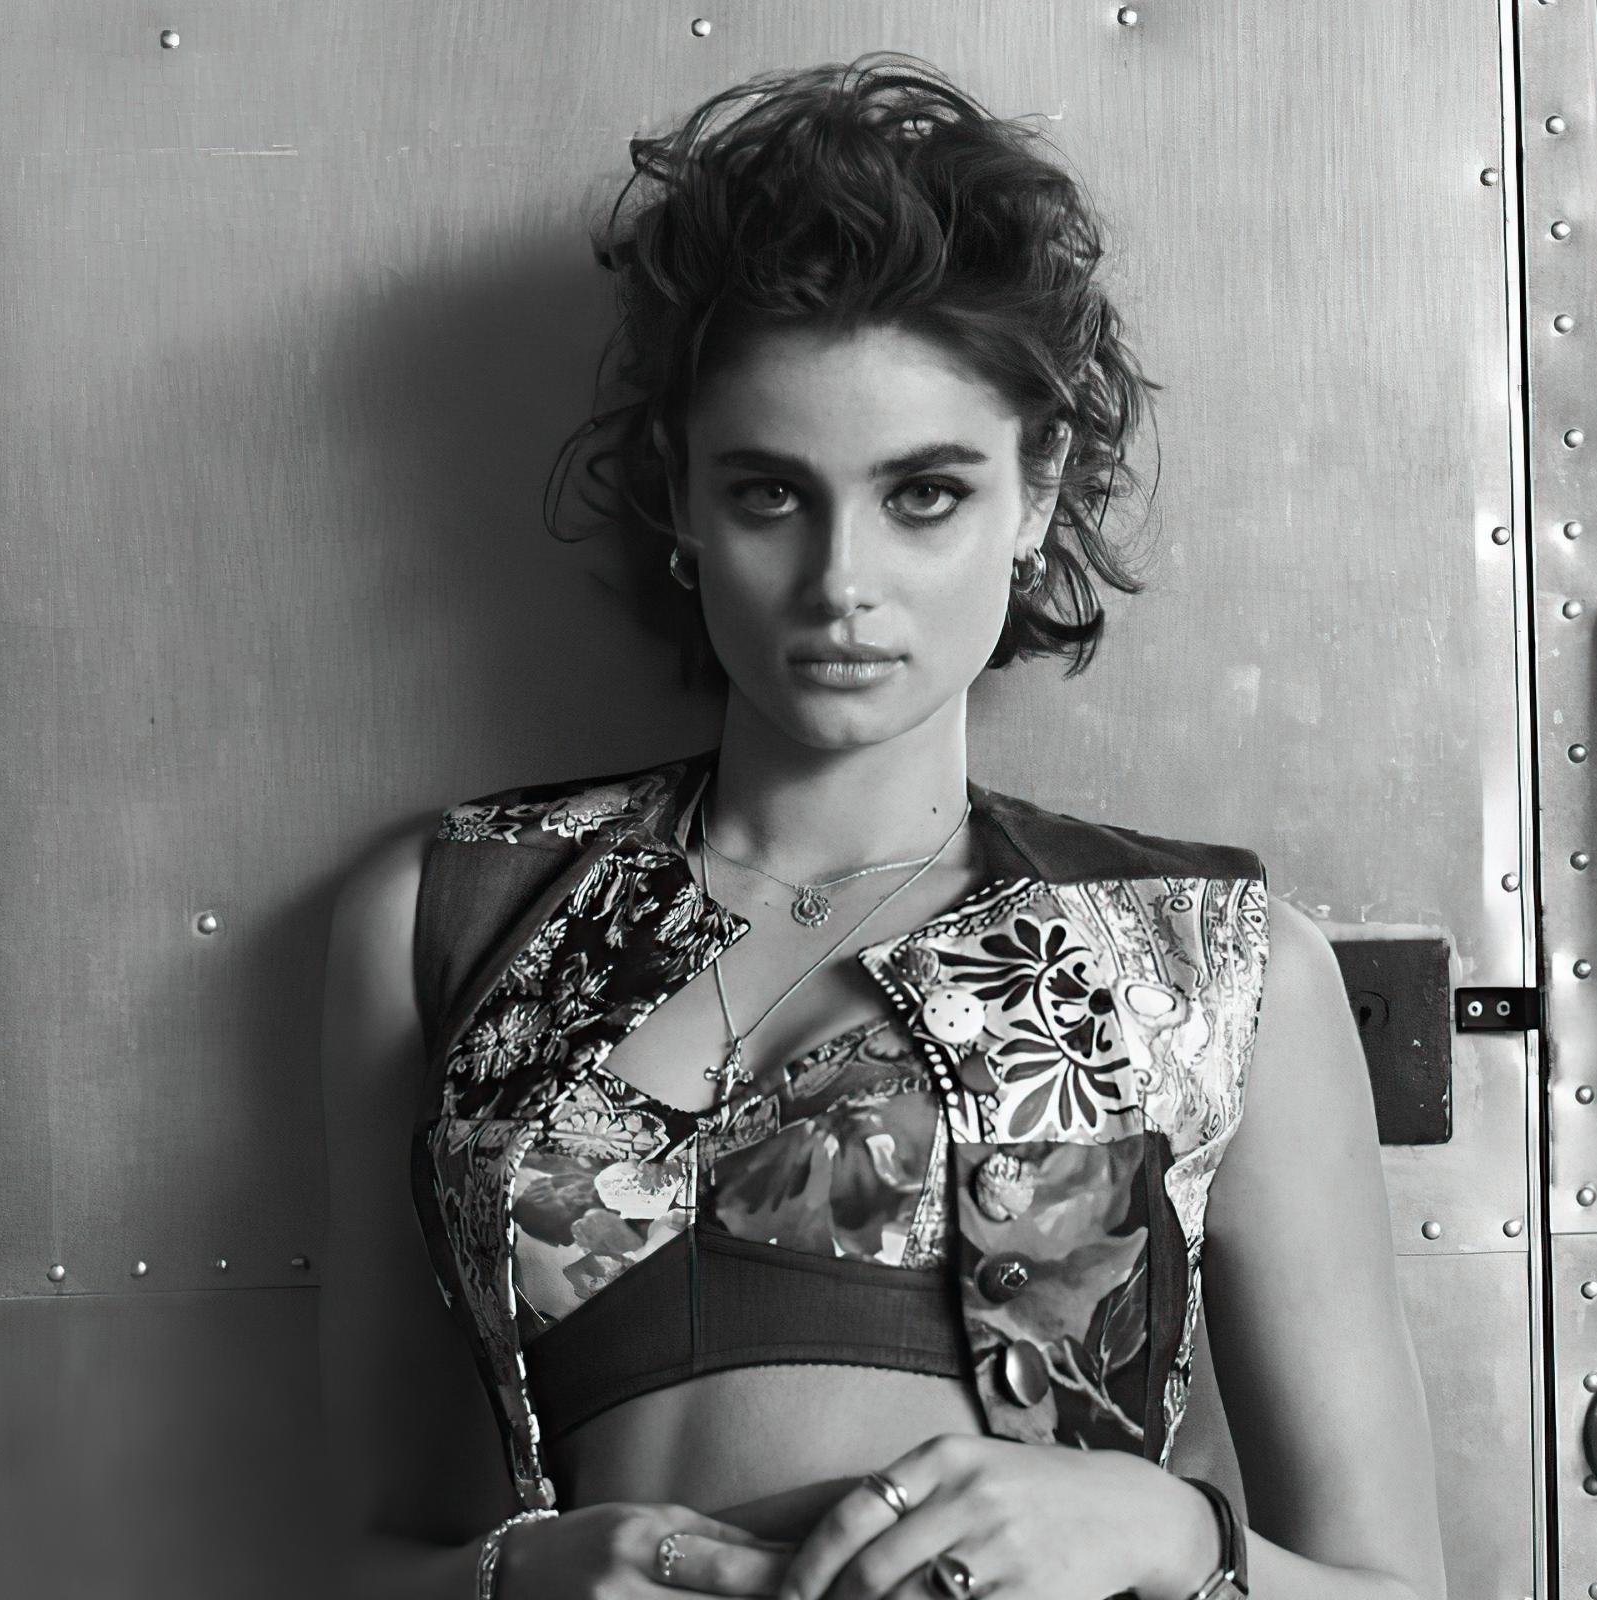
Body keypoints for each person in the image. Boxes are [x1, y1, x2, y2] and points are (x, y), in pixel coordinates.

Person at [326, 56, 1443, 1600]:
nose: (842, 583)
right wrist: (514, 1582)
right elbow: (355, 1555)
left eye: (923, 495)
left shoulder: (1215, 972)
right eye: (771, 495)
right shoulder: (448, 914)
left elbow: (1402, 1588)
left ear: (1035, 492)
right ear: (679, 496)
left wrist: (1165, 1534)